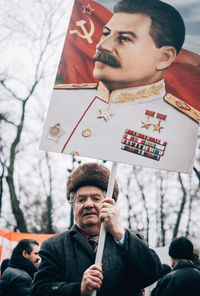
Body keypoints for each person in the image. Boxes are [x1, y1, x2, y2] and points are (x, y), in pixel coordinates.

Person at [40, 0, 200, 174]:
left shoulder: (182, 125)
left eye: (124, 39)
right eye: (105, 33)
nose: (102, 45)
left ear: (164, 57)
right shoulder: (64, 99)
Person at [31, 162, 162, 296]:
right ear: (73, 207)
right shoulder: (54, 246)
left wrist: (118, 232)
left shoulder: (130, 239)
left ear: (109, 204)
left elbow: (153, 273)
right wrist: (78, 289)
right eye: (81, 200)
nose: (88, 204)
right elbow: (39, 290)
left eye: (96, 198)